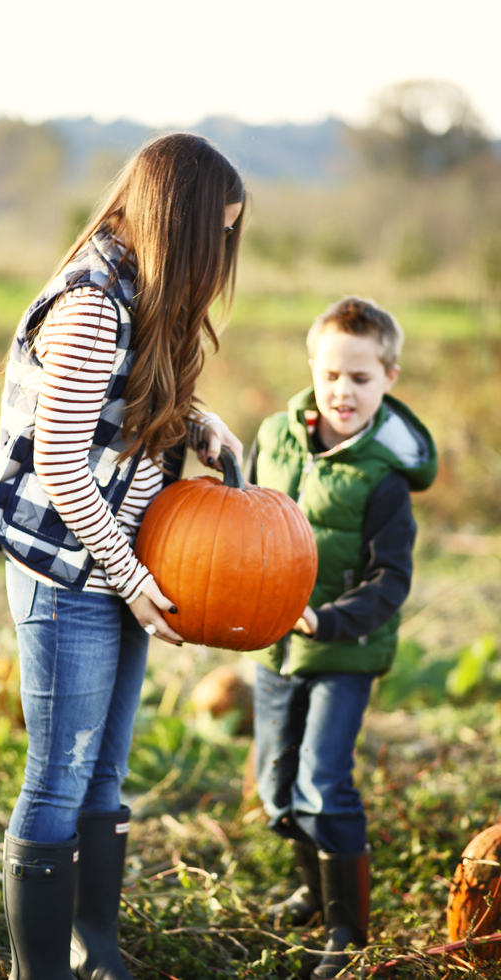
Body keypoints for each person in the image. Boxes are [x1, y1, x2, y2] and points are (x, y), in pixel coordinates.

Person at [0, 133, 245, 980]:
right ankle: (41, 969)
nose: (225, 254)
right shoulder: (94, 301)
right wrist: (132, 583)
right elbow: (59, 459)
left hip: (117, 559)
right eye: (221, 234)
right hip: (69, 569)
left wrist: (197, 424)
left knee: (106, 771)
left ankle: (98, 947)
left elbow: (119, 406)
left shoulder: (140, 289)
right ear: (184, 222)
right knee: (60, 775)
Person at [246, 297, 437, 979]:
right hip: (275, 643)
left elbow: (391, 579)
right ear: (312, 370)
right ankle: (313, 883)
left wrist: (330, 619)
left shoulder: (383, 480)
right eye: (331, 375)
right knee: (276, 787)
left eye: (360, 378)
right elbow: (243, 521)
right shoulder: (274, 439)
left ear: (388, 377)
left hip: (344, 649)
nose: (342, 391)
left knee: (323, 780)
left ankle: (346, 929)